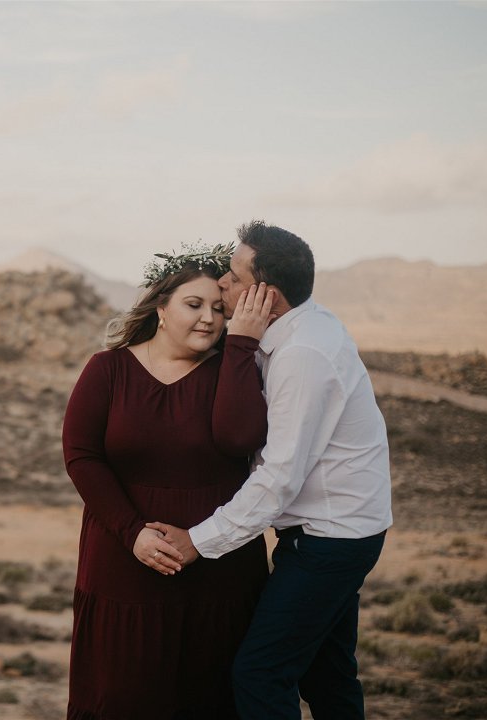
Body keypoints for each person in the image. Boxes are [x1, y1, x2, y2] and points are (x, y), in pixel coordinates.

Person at [148, 221, 393, 720]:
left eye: (234, 278)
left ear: (267, 295)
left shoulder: (301, 355)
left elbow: (278, 479)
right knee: (327, 676)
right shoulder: (303, 325)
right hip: (341, 529)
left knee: (260, 673)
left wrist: (199, 541)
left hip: (329, 539)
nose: (222, 284)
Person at [62, 242, 276, 719]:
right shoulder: (109, 369)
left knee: (210, 699)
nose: (209, 319)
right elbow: (81, 456)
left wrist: (240, 347)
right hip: (124, 562)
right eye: (194, 304)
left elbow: (243, 435)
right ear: (161, 308)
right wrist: (132, 532)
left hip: (218, 570)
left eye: (221, 310)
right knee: (122, 697)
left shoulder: (236, 368)